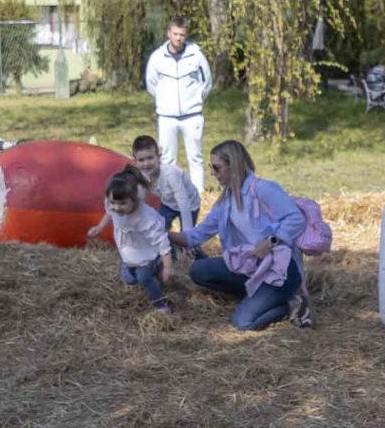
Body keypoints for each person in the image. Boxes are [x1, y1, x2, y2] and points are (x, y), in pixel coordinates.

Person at [170, 140, 312, 330]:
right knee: (198, 271)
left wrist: (271, 241)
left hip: (279, 271)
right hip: (248, 266)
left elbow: (296, 219)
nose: (212, 173)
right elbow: (196, 236)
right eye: (211, 167)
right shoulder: (225, 201)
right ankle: (257, 296)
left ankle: (291, 304)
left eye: (216, 168)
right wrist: (164, 234)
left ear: (233, 165)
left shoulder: (263, 189)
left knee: (243, 322)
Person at [87, 166, 174, 314]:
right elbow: (109, 213)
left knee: (143, 278)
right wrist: (100, 227)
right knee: (129, 279)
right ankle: (153, 270)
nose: (116, 208)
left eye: (122, 204)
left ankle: (161, 305)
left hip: (146, 254)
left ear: (135, 200)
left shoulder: (145, 218)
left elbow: (162, 242)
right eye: (113, 202)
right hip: (129, 252)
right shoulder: (113, 202)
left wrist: (168, 267)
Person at [145, 17, 213, 190]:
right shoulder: (157, 58)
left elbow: (206, 83)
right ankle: (170, 194)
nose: (178, 38)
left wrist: (196, 100)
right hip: (167, 116)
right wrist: (164, 102)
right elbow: (152, 85)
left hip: (192, 115)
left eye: (182, 34)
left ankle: (198, 195)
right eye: (175, 34)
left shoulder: (196, 55)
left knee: (196, 157)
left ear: (186, 35)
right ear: (169, 33)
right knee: (167, 159)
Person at [132, 134, 201, 232]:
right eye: (141, 160)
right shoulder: (143, 175)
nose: (146, 163)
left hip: (189, 204)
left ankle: (192, 246)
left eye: (150, 158)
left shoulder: (170, 174)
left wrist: (187, 234)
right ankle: (168, 246)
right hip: (168, 204)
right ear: (135, 161)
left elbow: (183, 201)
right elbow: (141, 198)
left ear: (159, 157)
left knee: (187, 235)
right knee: (159, 229)